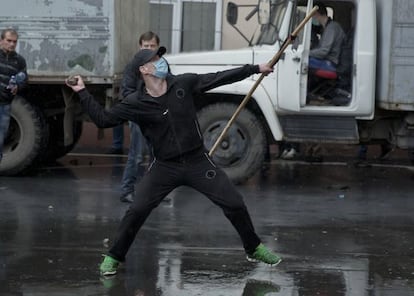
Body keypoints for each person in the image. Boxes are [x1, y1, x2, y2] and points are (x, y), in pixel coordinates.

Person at [66, 48, 282, 276]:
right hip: (164, 166)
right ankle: (114, 256)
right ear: (143, 69)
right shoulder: (136, 103)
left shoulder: (183, 84)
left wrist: (255, 69)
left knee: (235, 203)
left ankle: (253, 247)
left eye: (160, 58)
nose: (162, 62)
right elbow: (103, 119)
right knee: (137, 210)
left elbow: (218, 77)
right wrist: (81, 91)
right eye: (155, 60)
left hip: (198, 161)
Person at [118, 31, 161, 203]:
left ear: (157, 47)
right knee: (136, 154)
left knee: (156, 155)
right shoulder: (133, 66)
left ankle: (151, 192)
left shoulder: (161, 65)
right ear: (140, 46)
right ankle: (127, 191)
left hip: (156, 117)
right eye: (146, 45)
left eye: (152, 46)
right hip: (138, 115)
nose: (149, 49)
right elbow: (126, 91)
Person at [0, 28, 27, 164]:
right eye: (8, 41)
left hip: (4, 105)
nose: (11, 44)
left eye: (14, 42)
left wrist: (18, 87)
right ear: (1, 40)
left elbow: (24, 79)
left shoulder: (19, 61)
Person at [308, 2, 346, 90]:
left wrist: (306, 53)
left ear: (316, 14)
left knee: (302, 61)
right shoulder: (326, 28)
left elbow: (323, 51)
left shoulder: (332, 28)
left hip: (331, 63)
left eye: (311, 16)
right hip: (327, 60)